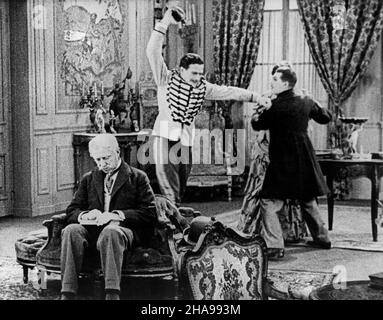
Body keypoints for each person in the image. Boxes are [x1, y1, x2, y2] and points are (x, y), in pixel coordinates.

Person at [146, 6, 271, 207]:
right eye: (193, 73)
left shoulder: (204, 87)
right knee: (170, 190)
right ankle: (173, 226)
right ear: (181, 70)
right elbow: (152, 51)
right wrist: (165, 22)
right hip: (163, 137)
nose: (198, 78)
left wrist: (256, 97)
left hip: (185, 139)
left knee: (181, 187)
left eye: (200, 73)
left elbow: (229, 91)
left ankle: (174, 219)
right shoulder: (166, 79)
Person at [60, 134, 157, 300]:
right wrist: (86, 215)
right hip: (93, 230)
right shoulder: (89, 179)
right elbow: (72, 211)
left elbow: (149, 213)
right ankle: (67, 293)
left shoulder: (138, 177)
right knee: (71, 230)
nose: (101, 164)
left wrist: (116, 215)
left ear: (117, 152)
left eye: (106, 158)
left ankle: (112, 293)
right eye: (97, 160)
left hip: (123, 231)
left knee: (111, 231)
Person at [251, 67, 332, 258]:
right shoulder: (306, 100)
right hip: (304, 157)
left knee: (269, 201)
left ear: (285, 83)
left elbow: (257, 124)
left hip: (282, 159)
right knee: (307, 198)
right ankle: (323, 238)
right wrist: (314, 102)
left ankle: (274, 245)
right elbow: (325, 117)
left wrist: (258, 112)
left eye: (275, 80)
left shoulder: (274, 105)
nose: (271, 82)